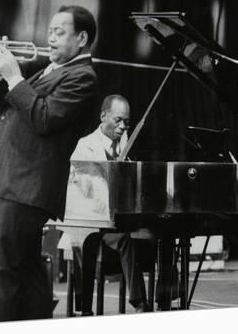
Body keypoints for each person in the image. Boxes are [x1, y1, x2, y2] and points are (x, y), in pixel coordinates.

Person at [0, 5, 98, 322]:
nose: (51, 38)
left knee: (0, 270)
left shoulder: (82, 77)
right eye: (50, 31)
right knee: (28, 270)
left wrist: (14, 75)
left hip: (26, 185)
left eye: (60, 32)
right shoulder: (53, 70)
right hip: (18, 182)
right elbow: (14, 109)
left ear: (82, 38)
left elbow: (44, 118)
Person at [70, 95, 150, 312]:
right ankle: (140, 302)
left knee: (160, 231)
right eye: (118, 121)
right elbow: (81, 188)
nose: (123, 127)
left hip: (117, 218)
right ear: (103, 116)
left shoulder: (125, 145)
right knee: (126, 239)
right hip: (91, 221)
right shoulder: (85, 145)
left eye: (127, 122)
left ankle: (167, 293)